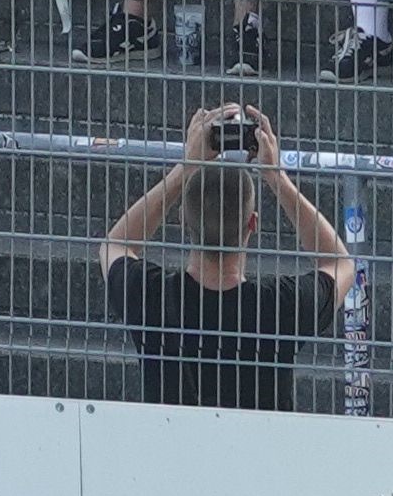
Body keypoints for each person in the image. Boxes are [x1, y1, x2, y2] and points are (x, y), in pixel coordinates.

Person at [94, 106, 353, 408]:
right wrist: (277, 179)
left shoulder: (152, 295)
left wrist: (184, 169)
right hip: (256, 452)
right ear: (252, 224)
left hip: (170, 450)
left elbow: (113, 245)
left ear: (182, 220)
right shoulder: (278, 306)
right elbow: (339, 262)